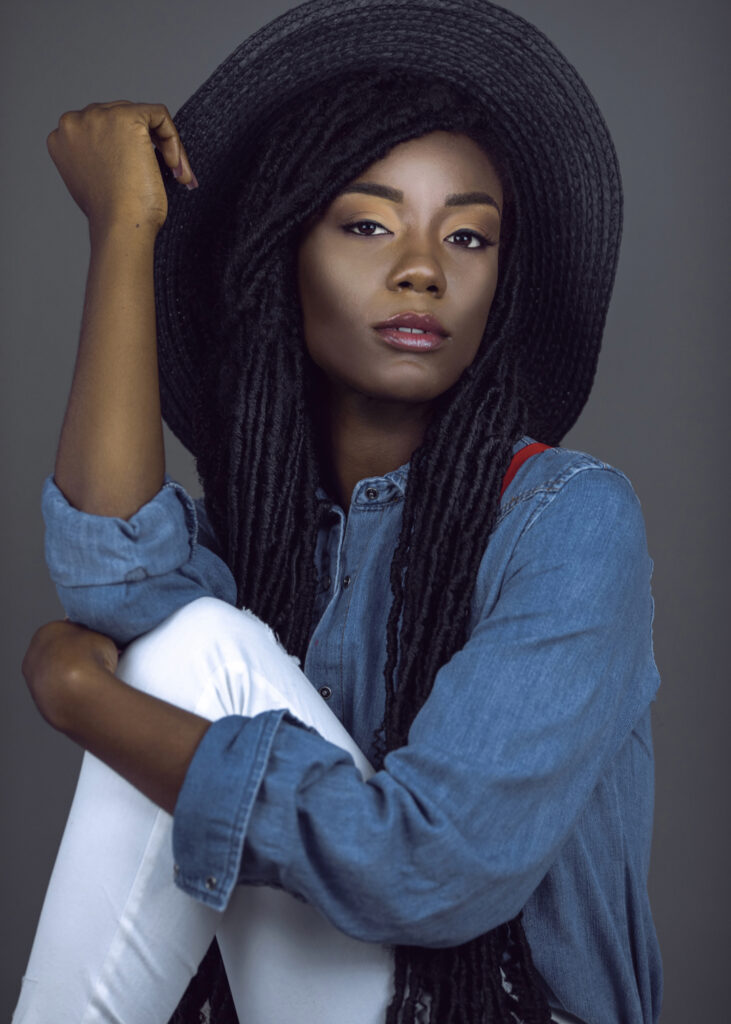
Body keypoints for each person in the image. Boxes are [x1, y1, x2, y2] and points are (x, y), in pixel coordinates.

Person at [14, 1, 662, 1022]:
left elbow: (429, 869)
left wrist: (83, 702)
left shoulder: (569, 521)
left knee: (192, 655)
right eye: (366, 223)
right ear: (285, 252)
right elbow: (116, 580)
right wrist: (124, 232)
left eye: (467, 235)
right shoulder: (259, 523)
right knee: (183, 640)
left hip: (489, 1004)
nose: (421, 268)